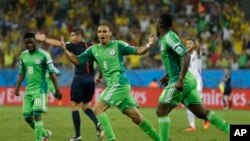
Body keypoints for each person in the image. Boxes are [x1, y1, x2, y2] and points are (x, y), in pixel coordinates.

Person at [59, 23, 160, 141]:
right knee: (136, 117)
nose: (102, 34)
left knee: (97, 109)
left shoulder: (118, 45)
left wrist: (148, 44)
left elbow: (137, 51)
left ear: (110, 33)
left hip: (120, 83)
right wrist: (65, 50)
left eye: (104, 31)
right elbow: (77, 60)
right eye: (99, 32)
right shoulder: (93, 50)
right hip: (114, 86)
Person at [155, 13, 230, 141]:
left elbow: (186, 56)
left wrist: (179, 79)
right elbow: (175, 59)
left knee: (161, 111)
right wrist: (168, 75)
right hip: (185, 79)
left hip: (181, 81)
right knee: (201, 113)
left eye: (156, 22)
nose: (155, 25)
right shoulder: (164, 39)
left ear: (160, 25)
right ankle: (237, 132)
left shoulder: (169, 38)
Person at [35, 28, 104, 141]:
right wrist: (100, 76)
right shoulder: (93, 47)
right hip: (90, 80)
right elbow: (100, 61)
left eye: (72, 35)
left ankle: (77, 136)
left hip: (79, 78)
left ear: (79, 36)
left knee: (75, 107)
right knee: (86, 106)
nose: (71, 38)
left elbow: (59, 43)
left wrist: (45, 39)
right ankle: (98, 124)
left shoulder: (74, 45)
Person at [14, 32, 62, 141]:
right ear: (24, 43)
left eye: (31, 42)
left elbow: (52, 73)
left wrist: (57, 89)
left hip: (40, 89)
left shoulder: (44, 55)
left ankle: (38, 139)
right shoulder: (23, 55)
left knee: (36, 114)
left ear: (35, 41)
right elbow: (22, 72)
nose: (29, 44)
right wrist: (17, 87)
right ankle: (45, 133)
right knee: (27, 117)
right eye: (27, 43)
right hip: (28, 90)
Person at [184, 39, 210, 131]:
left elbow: (198, 50)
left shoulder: (197, 54)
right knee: (188, 104)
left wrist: (198, 45)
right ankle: (192, 126)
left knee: (198, 104)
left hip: (197, 83)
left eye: (190, 43)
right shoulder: (184, 55)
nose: (188, 45)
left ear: (194, 45)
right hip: (188, 83)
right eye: (187, 43)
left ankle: (206, 118)